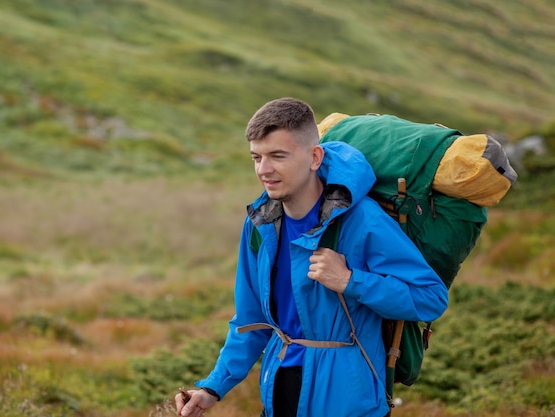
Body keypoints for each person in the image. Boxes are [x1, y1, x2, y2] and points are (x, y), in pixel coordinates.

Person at [175, 97, 448, 417]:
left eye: (278, 156)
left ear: (315, 157)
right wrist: (212, 387)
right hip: (279, 397)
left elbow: (430, 298)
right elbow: (251, 322)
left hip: (349, 406)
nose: (264, 170)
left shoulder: (362, 222)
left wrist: (350, 281)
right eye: (256, 157)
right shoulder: (259, 224)